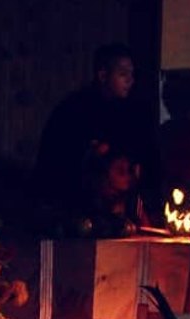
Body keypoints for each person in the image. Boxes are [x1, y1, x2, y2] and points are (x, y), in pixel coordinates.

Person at [35, 43, 157, 213]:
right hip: (74, 200)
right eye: (123, 74)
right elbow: (62, 162)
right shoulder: (74, 110)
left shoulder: (131, 112)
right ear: (103, 75)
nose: (130, 80)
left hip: (117, 202)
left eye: (131, 74)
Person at [81, 147, 150, 237]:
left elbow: (147, 234)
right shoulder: (92, 204)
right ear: (105, 174)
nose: (127, 176)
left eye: (129, 171)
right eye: (120, 171)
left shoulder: (134, 203)